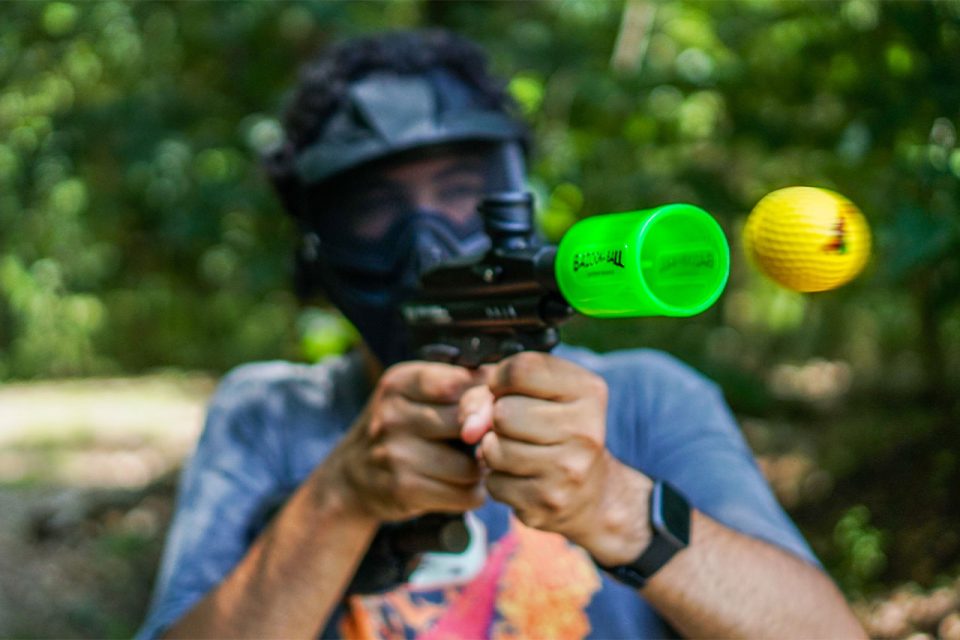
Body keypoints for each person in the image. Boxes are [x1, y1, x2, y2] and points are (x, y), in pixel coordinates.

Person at [138, 29, 865, 639]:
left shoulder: (648, 400)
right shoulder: (268, 416)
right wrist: (343, 498)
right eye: (375, 209)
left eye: (462, 191)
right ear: (317, 244)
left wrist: (615, 506)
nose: (426, 241)